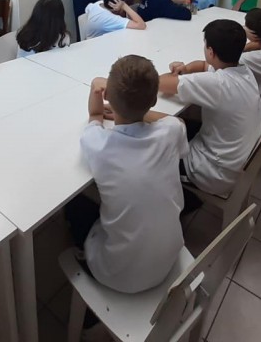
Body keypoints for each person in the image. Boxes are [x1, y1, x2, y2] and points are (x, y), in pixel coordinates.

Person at [64, 55, 188, 296]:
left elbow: (95, 116)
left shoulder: (98, 144)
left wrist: (96, 91)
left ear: (108, 96)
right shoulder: (172, 131)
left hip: (118, 275)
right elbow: (175, 121)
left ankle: (84, 258)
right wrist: (139, 108)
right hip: (169, 260)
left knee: (74, 204)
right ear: (154, 100)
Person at [159, 19, 261, 197]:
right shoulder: (243, 71)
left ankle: (176, 198)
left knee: (156, 149)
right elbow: (204, 65)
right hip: (234, 160)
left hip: (212, 172)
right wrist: (186, 69)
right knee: (184, 123)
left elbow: (158, 83)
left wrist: (175, 75)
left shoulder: (218, 83)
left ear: (210, 51)